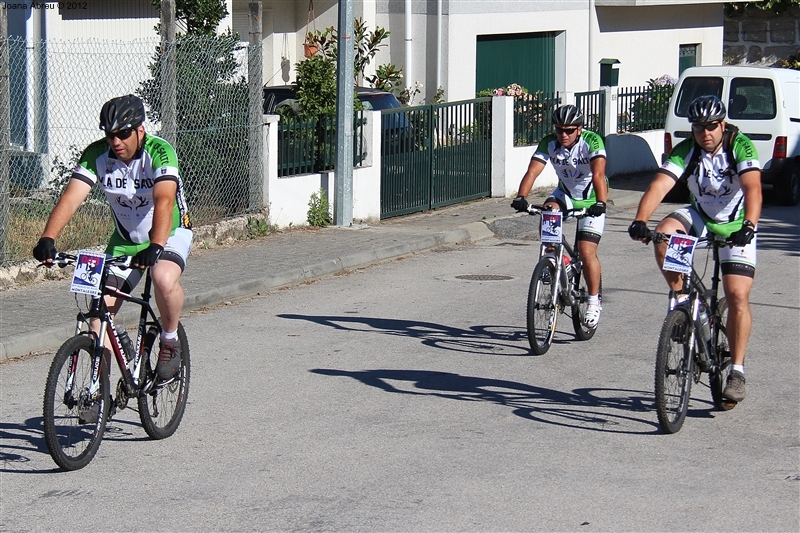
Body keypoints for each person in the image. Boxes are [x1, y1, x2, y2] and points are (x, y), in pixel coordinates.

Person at [33, 94, 193, 380]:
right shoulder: (96, 155)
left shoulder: (160, 151)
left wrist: (156, 245)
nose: (115, 141)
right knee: (98, 317)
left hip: (168, 232)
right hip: (125, 239)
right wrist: (48, 238)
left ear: (140, 130)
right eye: (110, 135)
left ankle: (170, 341)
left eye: (122, 134)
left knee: (163, 278)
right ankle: (97, 394)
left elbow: (165, 199)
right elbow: (71, 199)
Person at [628, 94, 761, 402]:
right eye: (699, 127)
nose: (705, 133)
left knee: (737, 295)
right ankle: (683, 301)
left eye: (711, 126)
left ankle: (737, 371)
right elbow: (659, 185)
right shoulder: (688, 150)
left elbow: (753, 187)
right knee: (663, 234)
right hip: (700, 216)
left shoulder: (739, 146)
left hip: (736, 223)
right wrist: (640, 220)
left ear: (722, 124)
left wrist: (749, 226)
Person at [511, 104, 608, 328]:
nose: (563, 135)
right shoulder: (549, 143)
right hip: (565, 194)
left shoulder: (592, 141)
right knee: (548, 211)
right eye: (559, 130)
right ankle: (555, 259)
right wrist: (522, 196)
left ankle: (593, 301)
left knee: (586, 251)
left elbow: (599, 174)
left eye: (569, 130)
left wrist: (601, 203)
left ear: (579, 129)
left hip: (592, 199)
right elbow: (533, 170)